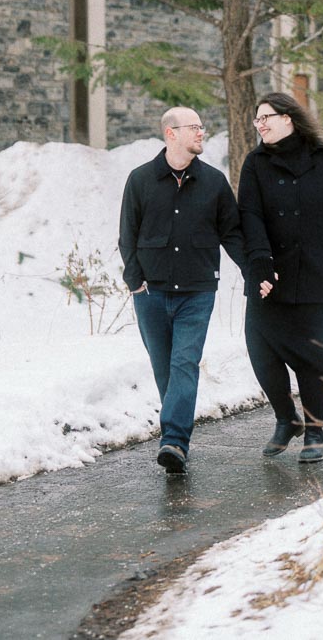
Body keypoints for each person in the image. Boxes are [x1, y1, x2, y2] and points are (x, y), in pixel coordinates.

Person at [239, 91, 323, 464]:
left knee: (314, 355)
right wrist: (260, 263)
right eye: (257, 119)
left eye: (267, 116)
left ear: (289, 118)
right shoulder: (255, 163)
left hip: (321, 273)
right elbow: (249, 216)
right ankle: (287, 418)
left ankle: (315, 430)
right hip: (273, 276)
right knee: (259, 345)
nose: (261, 123)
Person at [119, 107, 246, 474]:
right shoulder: (140, 180)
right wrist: (134, 281)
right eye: (194, 128)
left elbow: (232, 234)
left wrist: (254, 271)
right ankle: (174, 436)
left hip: (197, 291)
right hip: (151, 293)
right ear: (170, 133)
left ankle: (174, 440)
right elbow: (128, 233)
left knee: (184, 362)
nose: (201, 133)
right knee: (165, 371)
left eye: (202, 128)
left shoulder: (214, 182)